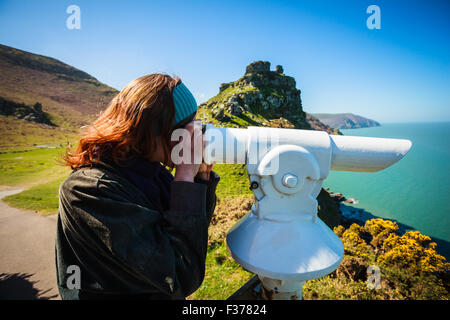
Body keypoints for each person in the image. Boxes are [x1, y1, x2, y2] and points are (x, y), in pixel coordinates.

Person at [55, 74, 219, 299]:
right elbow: (179, 275)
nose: (192, 136)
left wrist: (200, 179)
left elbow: (189, 235)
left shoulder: (149, 170)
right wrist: (184, 177)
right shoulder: (88, 190)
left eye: (195, 124)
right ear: (148, 132)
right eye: (184, 128)